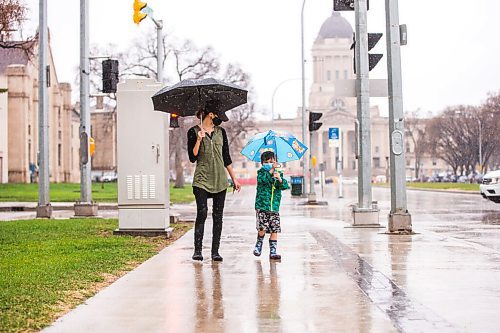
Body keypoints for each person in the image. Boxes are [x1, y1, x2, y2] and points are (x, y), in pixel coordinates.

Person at [187, 101, 241, 262]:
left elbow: (226, 158)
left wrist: (234, 179)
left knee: (218, 216)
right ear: (211, 114)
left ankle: (215, 252)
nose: (220, 119)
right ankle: (198, 250)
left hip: (220, 179)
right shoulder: (193, 131)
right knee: (202, 213)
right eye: (218, 115)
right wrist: (198, 139)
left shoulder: (221, 132)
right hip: (201, 179)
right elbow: (192, 157)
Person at [253, 151, 289, 260]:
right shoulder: (261, 172)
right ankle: (259, 244)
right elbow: (263, 180)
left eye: (271, 161)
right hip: (262, 206)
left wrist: (279, 178)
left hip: (274, 207)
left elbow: (284, 186)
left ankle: (273, 251)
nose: (269, 163)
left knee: (275, 229)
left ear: (275, 161)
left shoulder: (278, 172)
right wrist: (271, 170)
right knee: (262, 227)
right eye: (266, 162)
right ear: (262, 163)